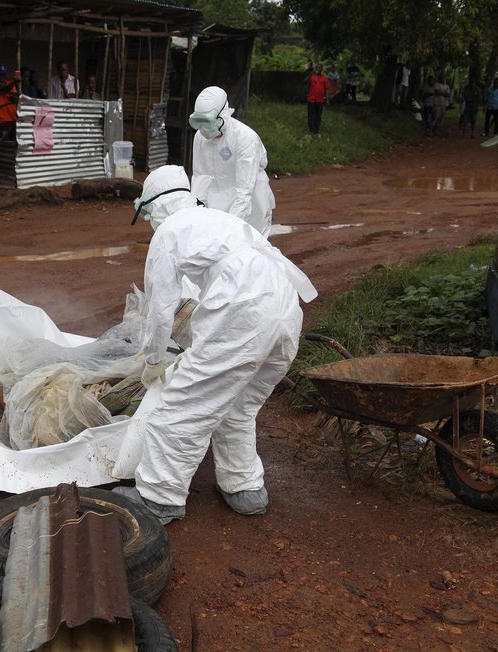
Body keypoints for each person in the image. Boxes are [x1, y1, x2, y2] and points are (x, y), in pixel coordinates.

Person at [114, 165, 317, 523]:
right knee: (238, 406)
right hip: (285, 306)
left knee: (181, 404)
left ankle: (159, 497)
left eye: (145, 212)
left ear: (156, 206)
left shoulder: (169, 233)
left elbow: (160, 310)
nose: (148, 220)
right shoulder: (216, 220)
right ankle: (244, 487)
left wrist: (153, 361)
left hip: (244, 307)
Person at [188, 86, 275, 238]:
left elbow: (244, 191)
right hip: (216, 201)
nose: (205, 129)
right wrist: (196, 213)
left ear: (223, 114)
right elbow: (199, 178)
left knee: (250, 245)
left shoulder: (245, 138)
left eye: (208, 121)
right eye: (199, 122)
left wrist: (231, 228)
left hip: (251, 203)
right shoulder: (200, 138)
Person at [0, 64, 20, 143]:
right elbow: (3, 89)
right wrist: (15, 82)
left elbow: (16, 98)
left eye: (3, 75)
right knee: (0, 143)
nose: (1, 77)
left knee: (13, 142)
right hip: (2, 119)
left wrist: (14, 98)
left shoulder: (10, 83)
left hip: (13, 117)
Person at [306, 63, 328, 135]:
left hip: (320, 99)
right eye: (317, 67)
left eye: (320, 68)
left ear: (322, 69)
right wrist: (310, 74)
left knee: (318, 115)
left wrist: (327, 98)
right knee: (311, 115)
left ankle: (316, 130)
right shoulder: (312, 76)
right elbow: (305, 82)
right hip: (311, 98)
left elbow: (326, 89)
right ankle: (311, 129)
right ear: (315, 69)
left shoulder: (324, 78)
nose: (318, 69)